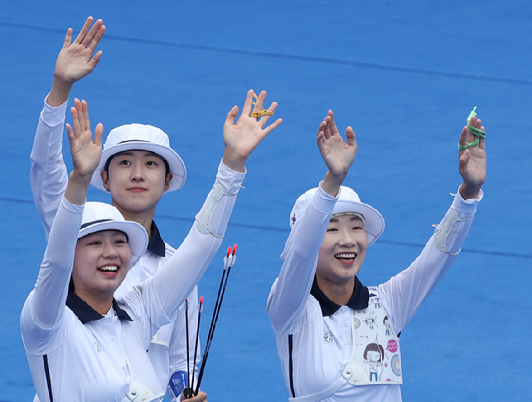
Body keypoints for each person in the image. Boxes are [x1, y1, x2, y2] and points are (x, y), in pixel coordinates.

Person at [29, 16, 282, 400]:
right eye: (95, 243)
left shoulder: (136, 312)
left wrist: (232, 165)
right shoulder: (48, 315)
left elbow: (203, 245)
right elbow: (48, 182)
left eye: (121, 243)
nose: (112, 253)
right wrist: (60, 92)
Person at [267, 109, 486, 401]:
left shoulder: (387, 303)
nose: (348, 241)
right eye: (331, 230)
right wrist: (333, 181)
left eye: (356, 228)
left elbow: (438, 257)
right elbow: (300, 255)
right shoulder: (291, 310)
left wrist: (468, 194)